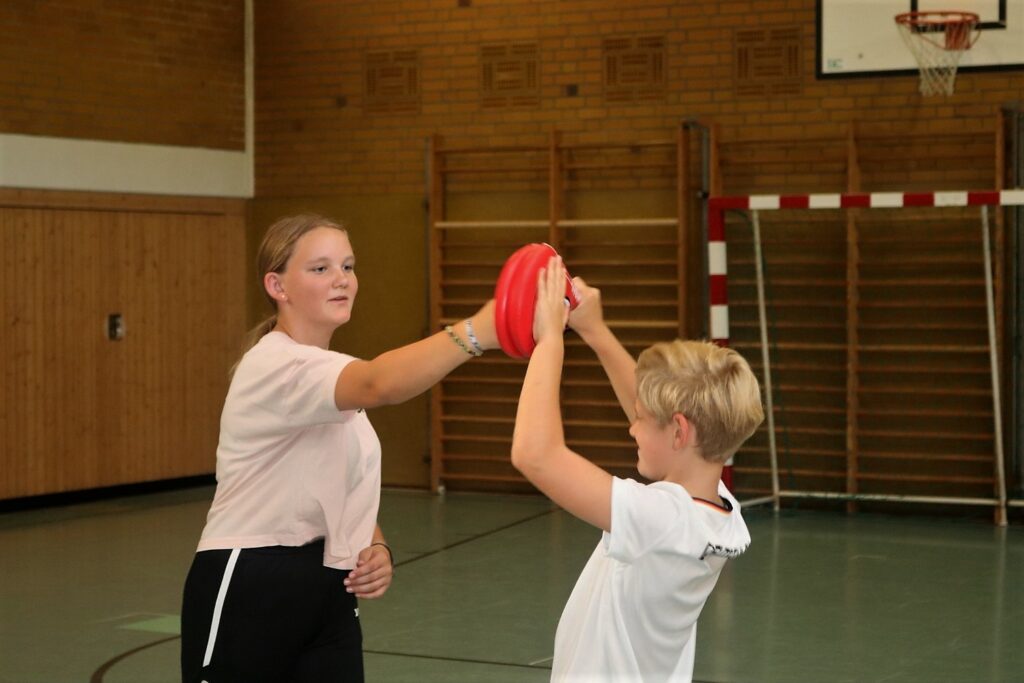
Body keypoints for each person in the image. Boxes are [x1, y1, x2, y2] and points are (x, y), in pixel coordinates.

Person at [181, 214, 497, 682]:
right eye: (320, 268)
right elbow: (379, 383)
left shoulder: (329, 374)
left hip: (328, 584)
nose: (342, 280)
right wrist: (477, 332)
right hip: (250, 578)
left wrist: (377, 544)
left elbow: (340, 482)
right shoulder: (275, 364)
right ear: (277, 285)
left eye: (347, 267)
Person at [511, 256, 764, 683]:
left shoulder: (660, 519)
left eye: (640, 418)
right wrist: (595, 331)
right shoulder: (719, 511)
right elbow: (666, 420)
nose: (631, 425)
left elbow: (535, 454)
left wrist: (551, 338)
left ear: (679, 431)